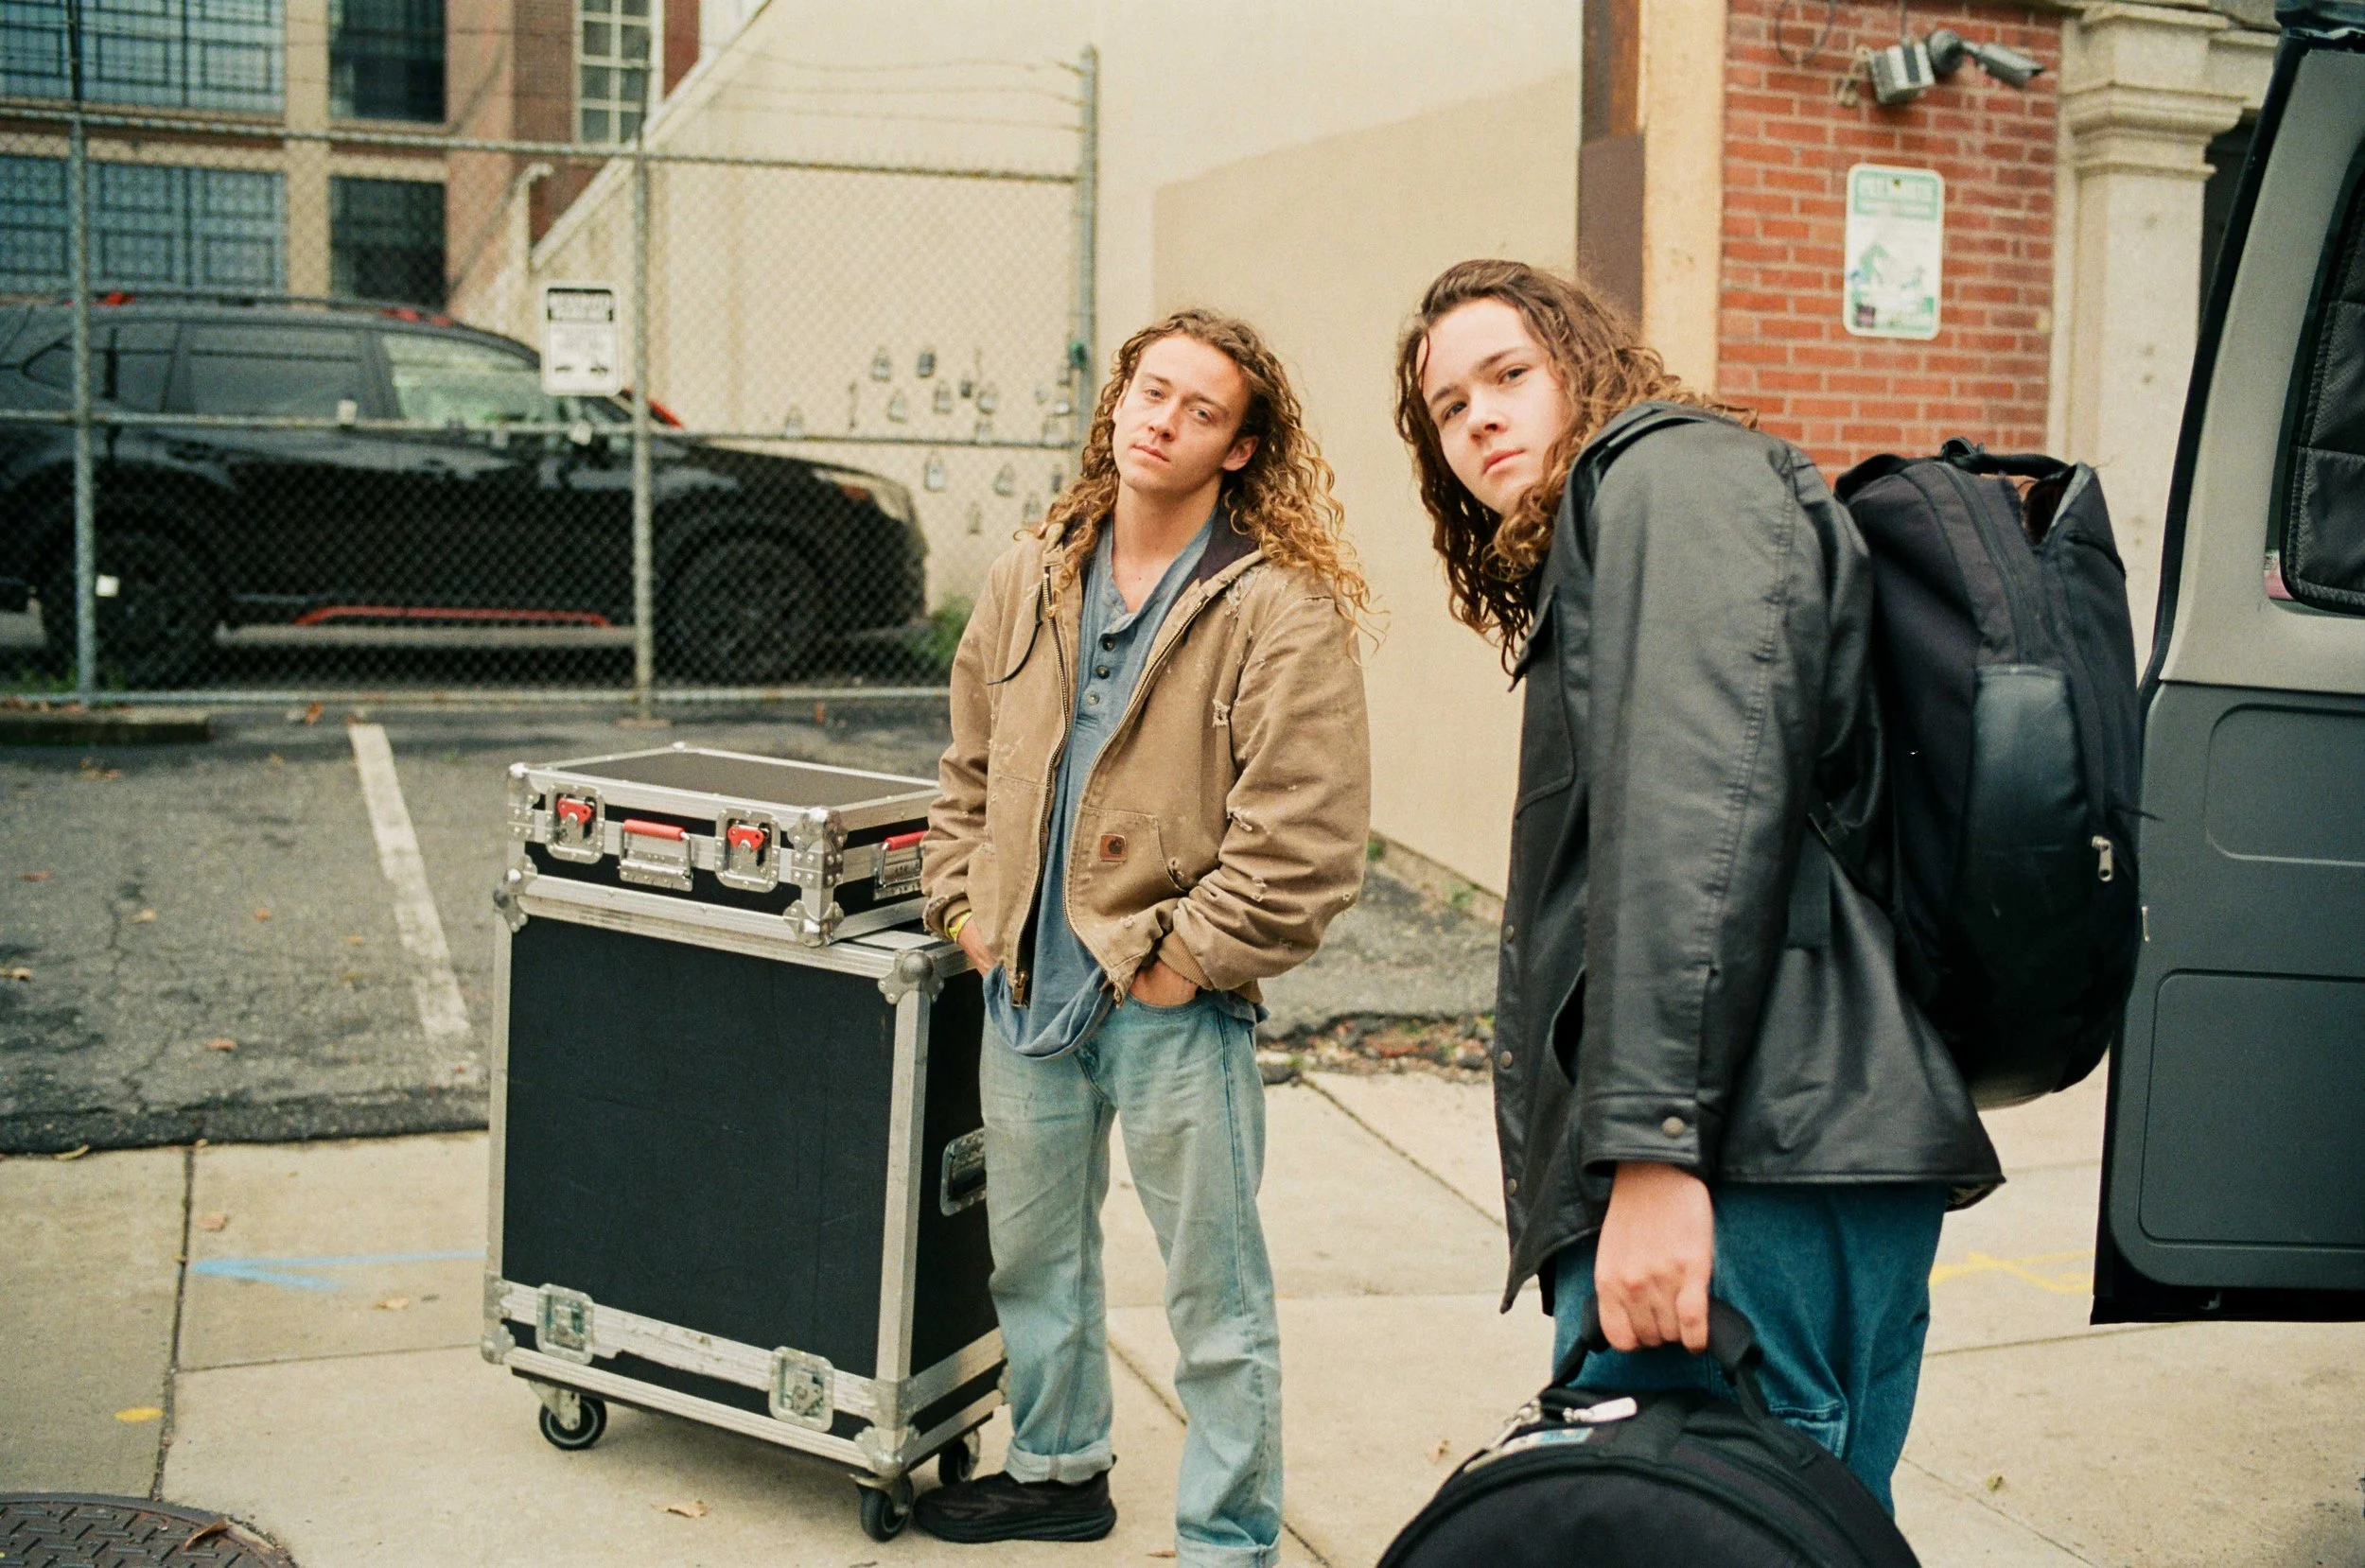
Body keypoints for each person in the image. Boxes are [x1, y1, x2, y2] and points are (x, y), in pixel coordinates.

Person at [1393, 259, 2000, 1510]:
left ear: (1588, 361)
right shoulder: (1654, 503)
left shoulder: (1667, 473)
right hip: (1793, 1159)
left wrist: (1653, 1155)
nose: (1482, 420)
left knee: (1697, 1529)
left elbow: (1696, 813)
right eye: (1449, 408)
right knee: (1794, 1531)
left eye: (1509, 375)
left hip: (1748, 1177)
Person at [916, 308, 1373, 1564]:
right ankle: (1059, 1468)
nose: (1158, 419)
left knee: (1213, 1298)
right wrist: (966, 904)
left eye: (1197, 408)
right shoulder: (1034, 570)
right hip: (1022, 981)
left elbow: (1309, 838)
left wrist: (1183, 960)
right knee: (1034, 1261)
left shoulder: (1276, 608)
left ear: (1239, 447)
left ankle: (1229, 1538)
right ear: (1116, 400)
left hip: (1170, 1000)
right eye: (1147, 391)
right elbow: (966, 761)